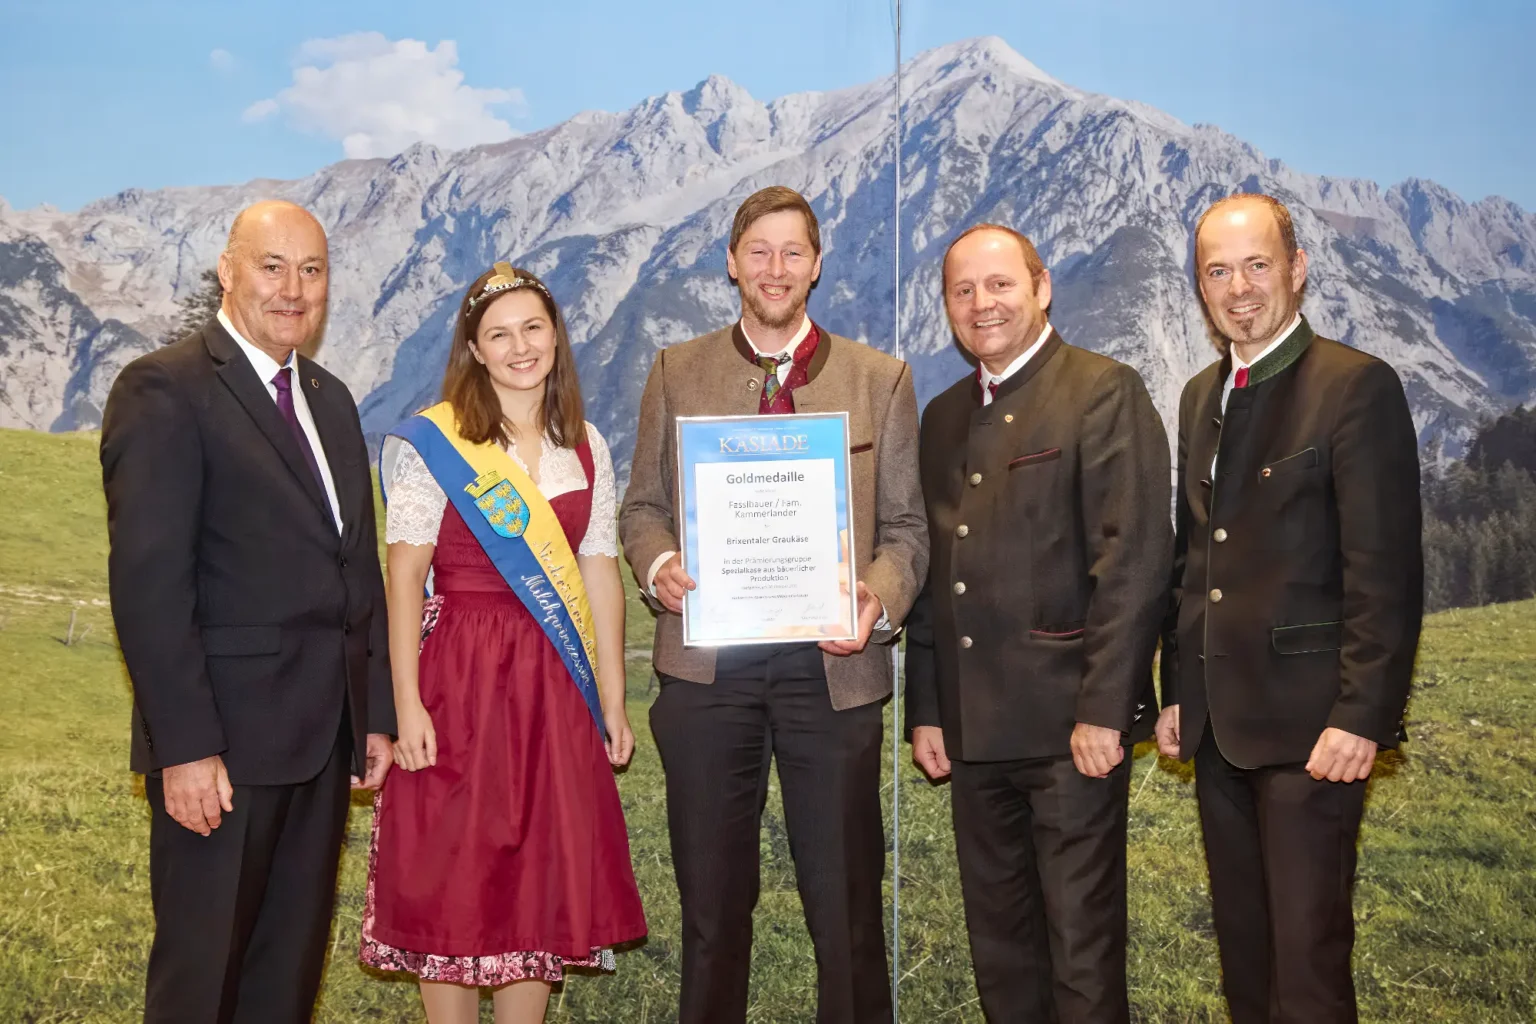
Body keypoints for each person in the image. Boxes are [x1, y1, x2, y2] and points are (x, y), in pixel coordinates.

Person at [618, 185, 927, 1024]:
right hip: (709, 669)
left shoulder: (880, 379)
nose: (776, 268)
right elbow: (641, 508)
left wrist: (878, 597)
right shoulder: (677, 370)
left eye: (793, 252)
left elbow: (905, 528)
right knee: (713, 912)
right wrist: (661, 566)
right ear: (731, 263)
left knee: (847, 908)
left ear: (817, 266)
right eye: (759, 251)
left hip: (833, 672)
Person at [100, 199, 396, 1023]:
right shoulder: (164, 389)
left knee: (283, 979)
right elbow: (150, 588)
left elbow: (355, 569)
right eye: (273, 267)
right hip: (221, 755)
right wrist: (186, 749)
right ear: (228, 271)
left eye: (312, 271)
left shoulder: (332, 400)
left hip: (322, 742)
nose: (293, 289)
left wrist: (371, 713)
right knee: (202, 982)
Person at [1156, 193, 1423, 1024]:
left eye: (1257, 265)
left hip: (1316, 734)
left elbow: (1385, 572)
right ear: (1201, 289)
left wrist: (1363, 716)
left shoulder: (1356, 387)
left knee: (1307, 966)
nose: (1239, 288)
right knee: (1245, 956)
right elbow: (1193, 560)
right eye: (1218, 271)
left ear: (1298, 269)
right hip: (1217, 729)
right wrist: (1175, 690)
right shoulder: (1200, 395)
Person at [359, 262, 646, 1024]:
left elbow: (601, 578)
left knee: (539, 870)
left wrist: (612, 702)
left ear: (555, 334)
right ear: (475, 350)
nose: (520, 347)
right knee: (449, 865)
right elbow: (402, 579)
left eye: (533, 327)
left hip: (555, 684)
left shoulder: (584, 444)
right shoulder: (437, 439)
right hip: (458, 674)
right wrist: (405, 704)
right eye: (499, 334)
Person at [904, 224, 1172, 1023]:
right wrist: (926, 708)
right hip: (973, 734)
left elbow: (1133, 561)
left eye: (999, 285)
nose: (981, 305)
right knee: (1003, 956)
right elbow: (933, 578)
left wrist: (1104, 707)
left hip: (1070, 734)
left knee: (1081, 958)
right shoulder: (944, 415)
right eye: (963, 291)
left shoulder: (1103, 390)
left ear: (1041, 286)